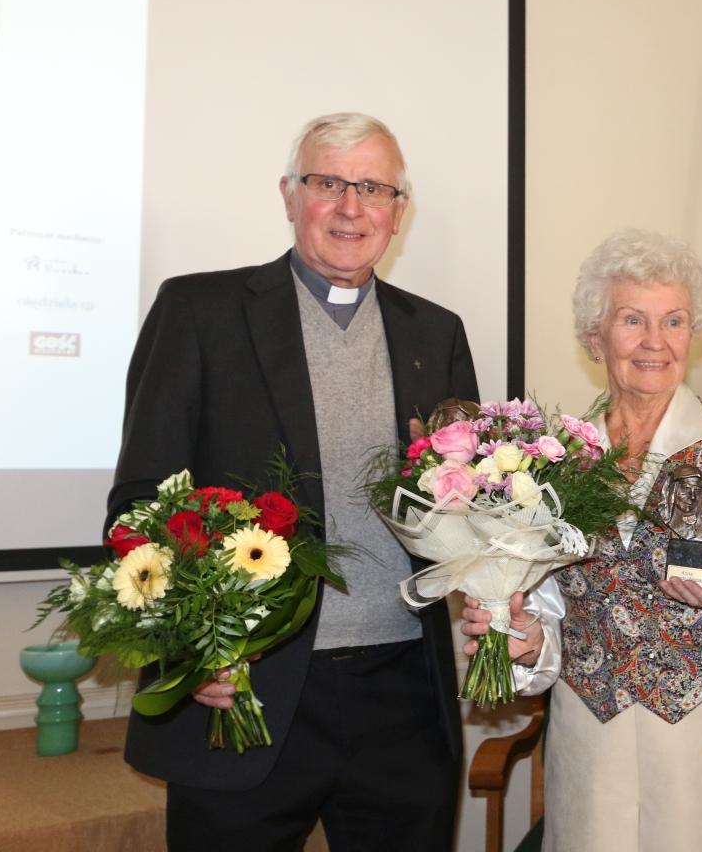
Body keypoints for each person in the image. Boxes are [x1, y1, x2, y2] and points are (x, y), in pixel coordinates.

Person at [107, 112, 478, 851]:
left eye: (373, 188)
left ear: (398, 212)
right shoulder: (200, 312)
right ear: (288, 194)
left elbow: (466, 502)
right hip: (244, 691)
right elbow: (141, 507)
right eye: (327, 182)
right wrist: (191, 650)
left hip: (404, 698)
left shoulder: (436, 334)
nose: (351, 206)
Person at [460, 229, 702, 852]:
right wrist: (526, 641)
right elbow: (547, 607)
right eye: (632, 320)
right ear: (595, 336)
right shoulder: (554, 458)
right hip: (593, 739)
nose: (655, 342)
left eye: (674, 321)